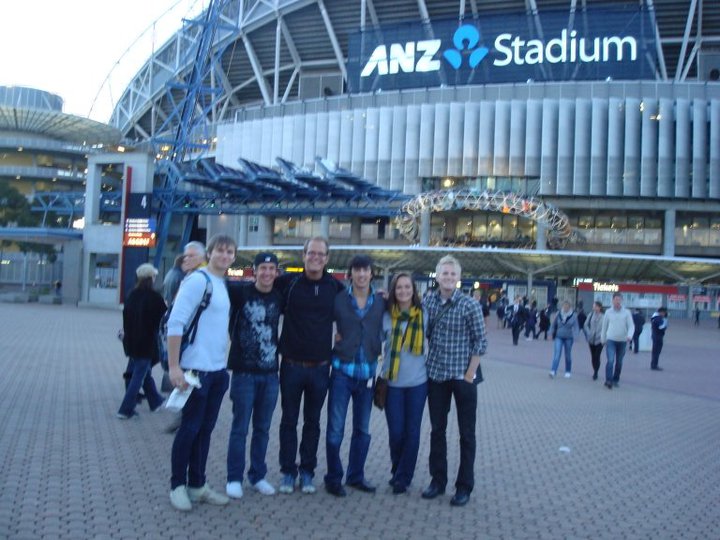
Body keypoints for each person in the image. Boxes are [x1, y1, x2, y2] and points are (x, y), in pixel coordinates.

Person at [167, 234, 236, 512]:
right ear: (210, 253)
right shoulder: (198, 280)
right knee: (189, 429)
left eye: (230, 252)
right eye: (220, 250)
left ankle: (197, 484)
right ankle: (177, 485)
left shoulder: (222, 283)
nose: (224, 255)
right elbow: (176, 322)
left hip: (217, 371)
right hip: (195, 370)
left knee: (205, 431)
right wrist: (174, 367)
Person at [275, 237, 345, 495]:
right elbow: (258, 290)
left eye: (320, 254)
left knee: (312, 423)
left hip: (320, 367)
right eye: (311, 253)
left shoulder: (335, 288)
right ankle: (287, 472)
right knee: (288, 421)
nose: (315, 257)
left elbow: (355, 309)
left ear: (327, 259)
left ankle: (307, 472)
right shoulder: (288, 283)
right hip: (291, 365)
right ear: (303, 255)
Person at [422, 255, 487, 507]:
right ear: (437, 276)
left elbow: (481, 341)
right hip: (437, 375)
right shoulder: (428, 301)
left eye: (452, 274)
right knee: (437, 431)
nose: (448, 277)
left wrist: (470, 373)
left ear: (459, 278)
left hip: (463, 378)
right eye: (444, 273)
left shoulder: (470, 305)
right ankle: (437, 481)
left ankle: (464, 486)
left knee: (466, 434)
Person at [324, 255, 385, 497]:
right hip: (341, 372)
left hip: (368, 374)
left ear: (372, 274)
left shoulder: (381, 301)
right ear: (350, 274)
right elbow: (319, 323)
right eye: (357, 270)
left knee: (363, 430)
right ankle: (333, 478)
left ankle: (356, 476)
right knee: (335, 429)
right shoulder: (338, 299)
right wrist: (332, 339)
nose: (361, 274)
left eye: (366, 270)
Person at [225, 252, 284, 499]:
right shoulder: (239, 293)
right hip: (243, 373)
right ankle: (234, 478)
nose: (267, 273)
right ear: (254, 270)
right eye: (263, 268)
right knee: (240, 428)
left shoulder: (280, 296)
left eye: (272, 269)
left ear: (277, 272)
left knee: (263, 428)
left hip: (271, 374)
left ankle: (257, 475)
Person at [381, 272, 427, 495]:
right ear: (393, 290)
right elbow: (372, 338)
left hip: (418, 383)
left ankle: (402, 477)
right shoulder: (386, 315)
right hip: (392, 383)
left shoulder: (424, 314)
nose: (403, 291)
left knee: (412, 432)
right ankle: (397, 468)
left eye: (407, 287)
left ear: (413, 290)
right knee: (396, 432)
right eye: (399, 287)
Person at [162, 241, 207, 432]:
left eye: (191, 256)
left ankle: (183, 416)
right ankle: (183, 417)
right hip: (187, 338)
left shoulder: (195, 278)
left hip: (189, 339)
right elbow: (176, 315)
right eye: (185, 256)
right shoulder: (189, 278)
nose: (186, 259)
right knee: (187, 378)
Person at [117, 263, 167, 419]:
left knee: (143, 372)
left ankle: (155, 401)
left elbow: (126, 319)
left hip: (131, 342)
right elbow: (163, 320)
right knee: (138, 375)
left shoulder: (132, 295)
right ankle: (125, 409)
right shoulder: (155, 298)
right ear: (151, 278)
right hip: (146, 343)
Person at [601, 292, 634, 390]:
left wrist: (629, 335)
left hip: (622, 340)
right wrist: (603, 339)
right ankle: (608, 380)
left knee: (619, 362)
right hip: (610, 339)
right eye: (616, 299)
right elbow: (604, 326)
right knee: (610, 360)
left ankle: (616, 379)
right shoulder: (608, 312)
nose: (617, 301)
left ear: (622, 301)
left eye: (619, 300)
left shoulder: (627, 312)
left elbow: (631, 326)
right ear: (612, 300)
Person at [548, 301, 579, 379]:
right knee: (557, 354)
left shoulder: (573, 316)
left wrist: (576, 335)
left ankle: (568, 371)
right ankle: (553, 371)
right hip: (559, 336)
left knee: (567, 355)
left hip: (569, 337)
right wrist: (550, 333)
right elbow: (553, 324)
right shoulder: (558, 314)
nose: (565, 308)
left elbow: (576, 327)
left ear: (569, 307)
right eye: (564, 306)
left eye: (567, 306)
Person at [584, 301, 605, 380]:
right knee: (593, 356)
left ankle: (596, 372)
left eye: (596, 306)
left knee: (597, 355)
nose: (594, 308)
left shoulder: (604, 317)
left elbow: (606, 326)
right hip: (591, 339)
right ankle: (594, 369)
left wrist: (603, 335)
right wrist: (588, 332)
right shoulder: (590, 315)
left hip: (600, 339)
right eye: (593, 306)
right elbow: (585, 324)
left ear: (599, 307)